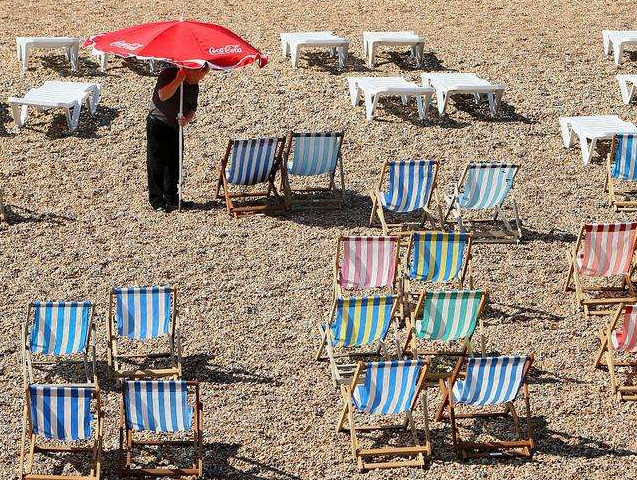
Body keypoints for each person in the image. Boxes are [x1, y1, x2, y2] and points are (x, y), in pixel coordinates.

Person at [146, 64, 209, 212]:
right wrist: (178, 80)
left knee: (175, 162)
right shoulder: (168, 74)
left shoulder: (194, 86)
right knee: (157, 162)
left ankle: (172, 198)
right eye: (201, 74)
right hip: (158, 122)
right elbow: (162, 96)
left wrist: (186, 120)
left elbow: (192, 109)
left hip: (175, 126)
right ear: (191, 71)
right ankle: (157, 200)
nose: (202, 78)